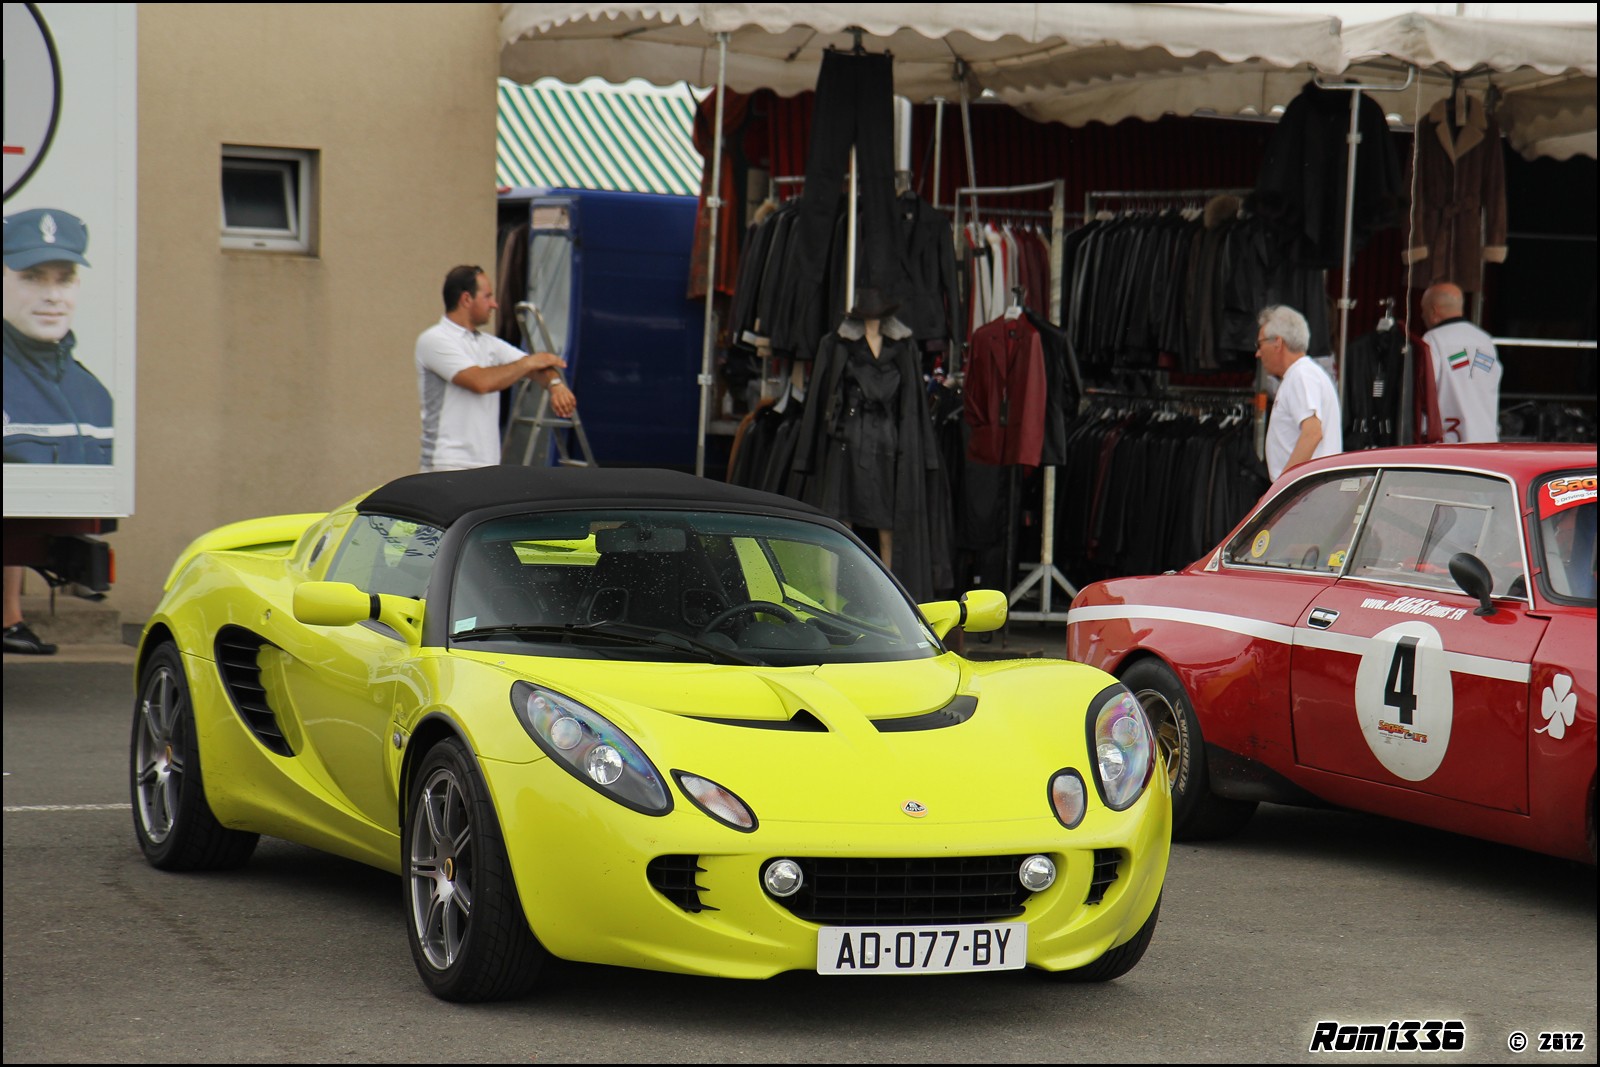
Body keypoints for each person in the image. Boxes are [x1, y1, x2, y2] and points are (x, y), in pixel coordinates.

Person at [4, 206, 113, 656]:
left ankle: (8, 618)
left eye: (63, 278)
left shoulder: (94, 394)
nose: (52, 295)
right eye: (32, 277)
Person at [416, 265, 576, 472]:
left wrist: (555, 385)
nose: (495, 305)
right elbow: (480, 382)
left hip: (487, 464)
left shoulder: (489, 343)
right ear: (466, 299)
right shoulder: (434, 339)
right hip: (447, 463)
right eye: (488, 296)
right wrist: (530, 362)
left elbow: (539, 367)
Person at [1257, 305, 1342, 481]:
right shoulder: (1304, 374)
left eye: (1260, 344)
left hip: (1306, 494)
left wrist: (1282, 487)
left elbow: (1312, 433)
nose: (1258, 353)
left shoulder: (1301, 375)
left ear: (1278, 343)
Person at [1421, 281, 1501, 443]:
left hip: (1450, 442)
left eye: (1423, 311)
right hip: (1486, 440)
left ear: (1433, 311)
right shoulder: (1485, 340)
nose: (1422, 316)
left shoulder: (1433, 340)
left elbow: (1424, 390)